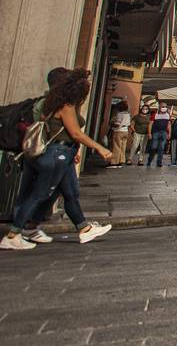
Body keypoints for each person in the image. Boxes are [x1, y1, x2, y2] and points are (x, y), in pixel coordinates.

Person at [1, 69, 114, 250]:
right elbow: (75, 133)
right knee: (39, 194)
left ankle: (82, 229)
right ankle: (13, 235)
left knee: (70, 192)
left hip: (61, 154)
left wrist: (74, 150)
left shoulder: (50, 102)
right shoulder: (66, 106)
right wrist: (99, 147)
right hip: (56, 155)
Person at [145, 100, 171, 167]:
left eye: (165, 107)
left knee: (161, 148)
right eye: (163, 106)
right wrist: (149, 133)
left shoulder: (168, 115)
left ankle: (159, 162)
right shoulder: (155, 115)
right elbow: (150, 124)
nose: (164, 108)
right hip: (155, 132)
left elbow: (169, 125)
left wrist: (169, 133)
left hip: (164, 133)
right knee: (153, 147)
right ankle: (149, 160)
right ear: (159, 107)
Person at [108, 101, 132, 166]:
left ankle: (114, 161)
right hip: (125, 131)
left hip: (118, 131)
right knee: (123, 147)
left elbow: (117, 123)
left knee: (116, 146)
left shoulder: (119, 114)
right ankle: (121, 160)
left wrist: (113, 124)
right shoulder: (128, 114)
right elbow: (129, 123)